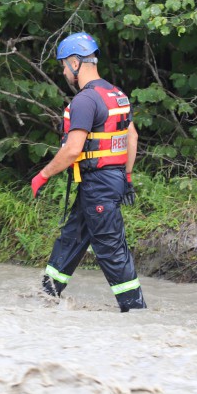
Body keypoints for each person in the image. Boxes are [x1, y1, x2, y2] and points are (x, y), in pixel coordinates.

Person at [31, 32, 146, 312]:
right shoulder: (116, 94)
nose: (63, 71)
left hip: (98, 184)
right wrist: (127, 176)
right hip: (108, 180)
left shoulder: (85, 101)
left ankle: (136, 311)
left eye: (62, 65)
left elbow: (72, 150)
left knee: (110, 247)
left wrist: (43, 175)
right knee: (72, 236)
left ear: (74, 63)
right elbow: (133, 137)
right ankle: (47, 294)